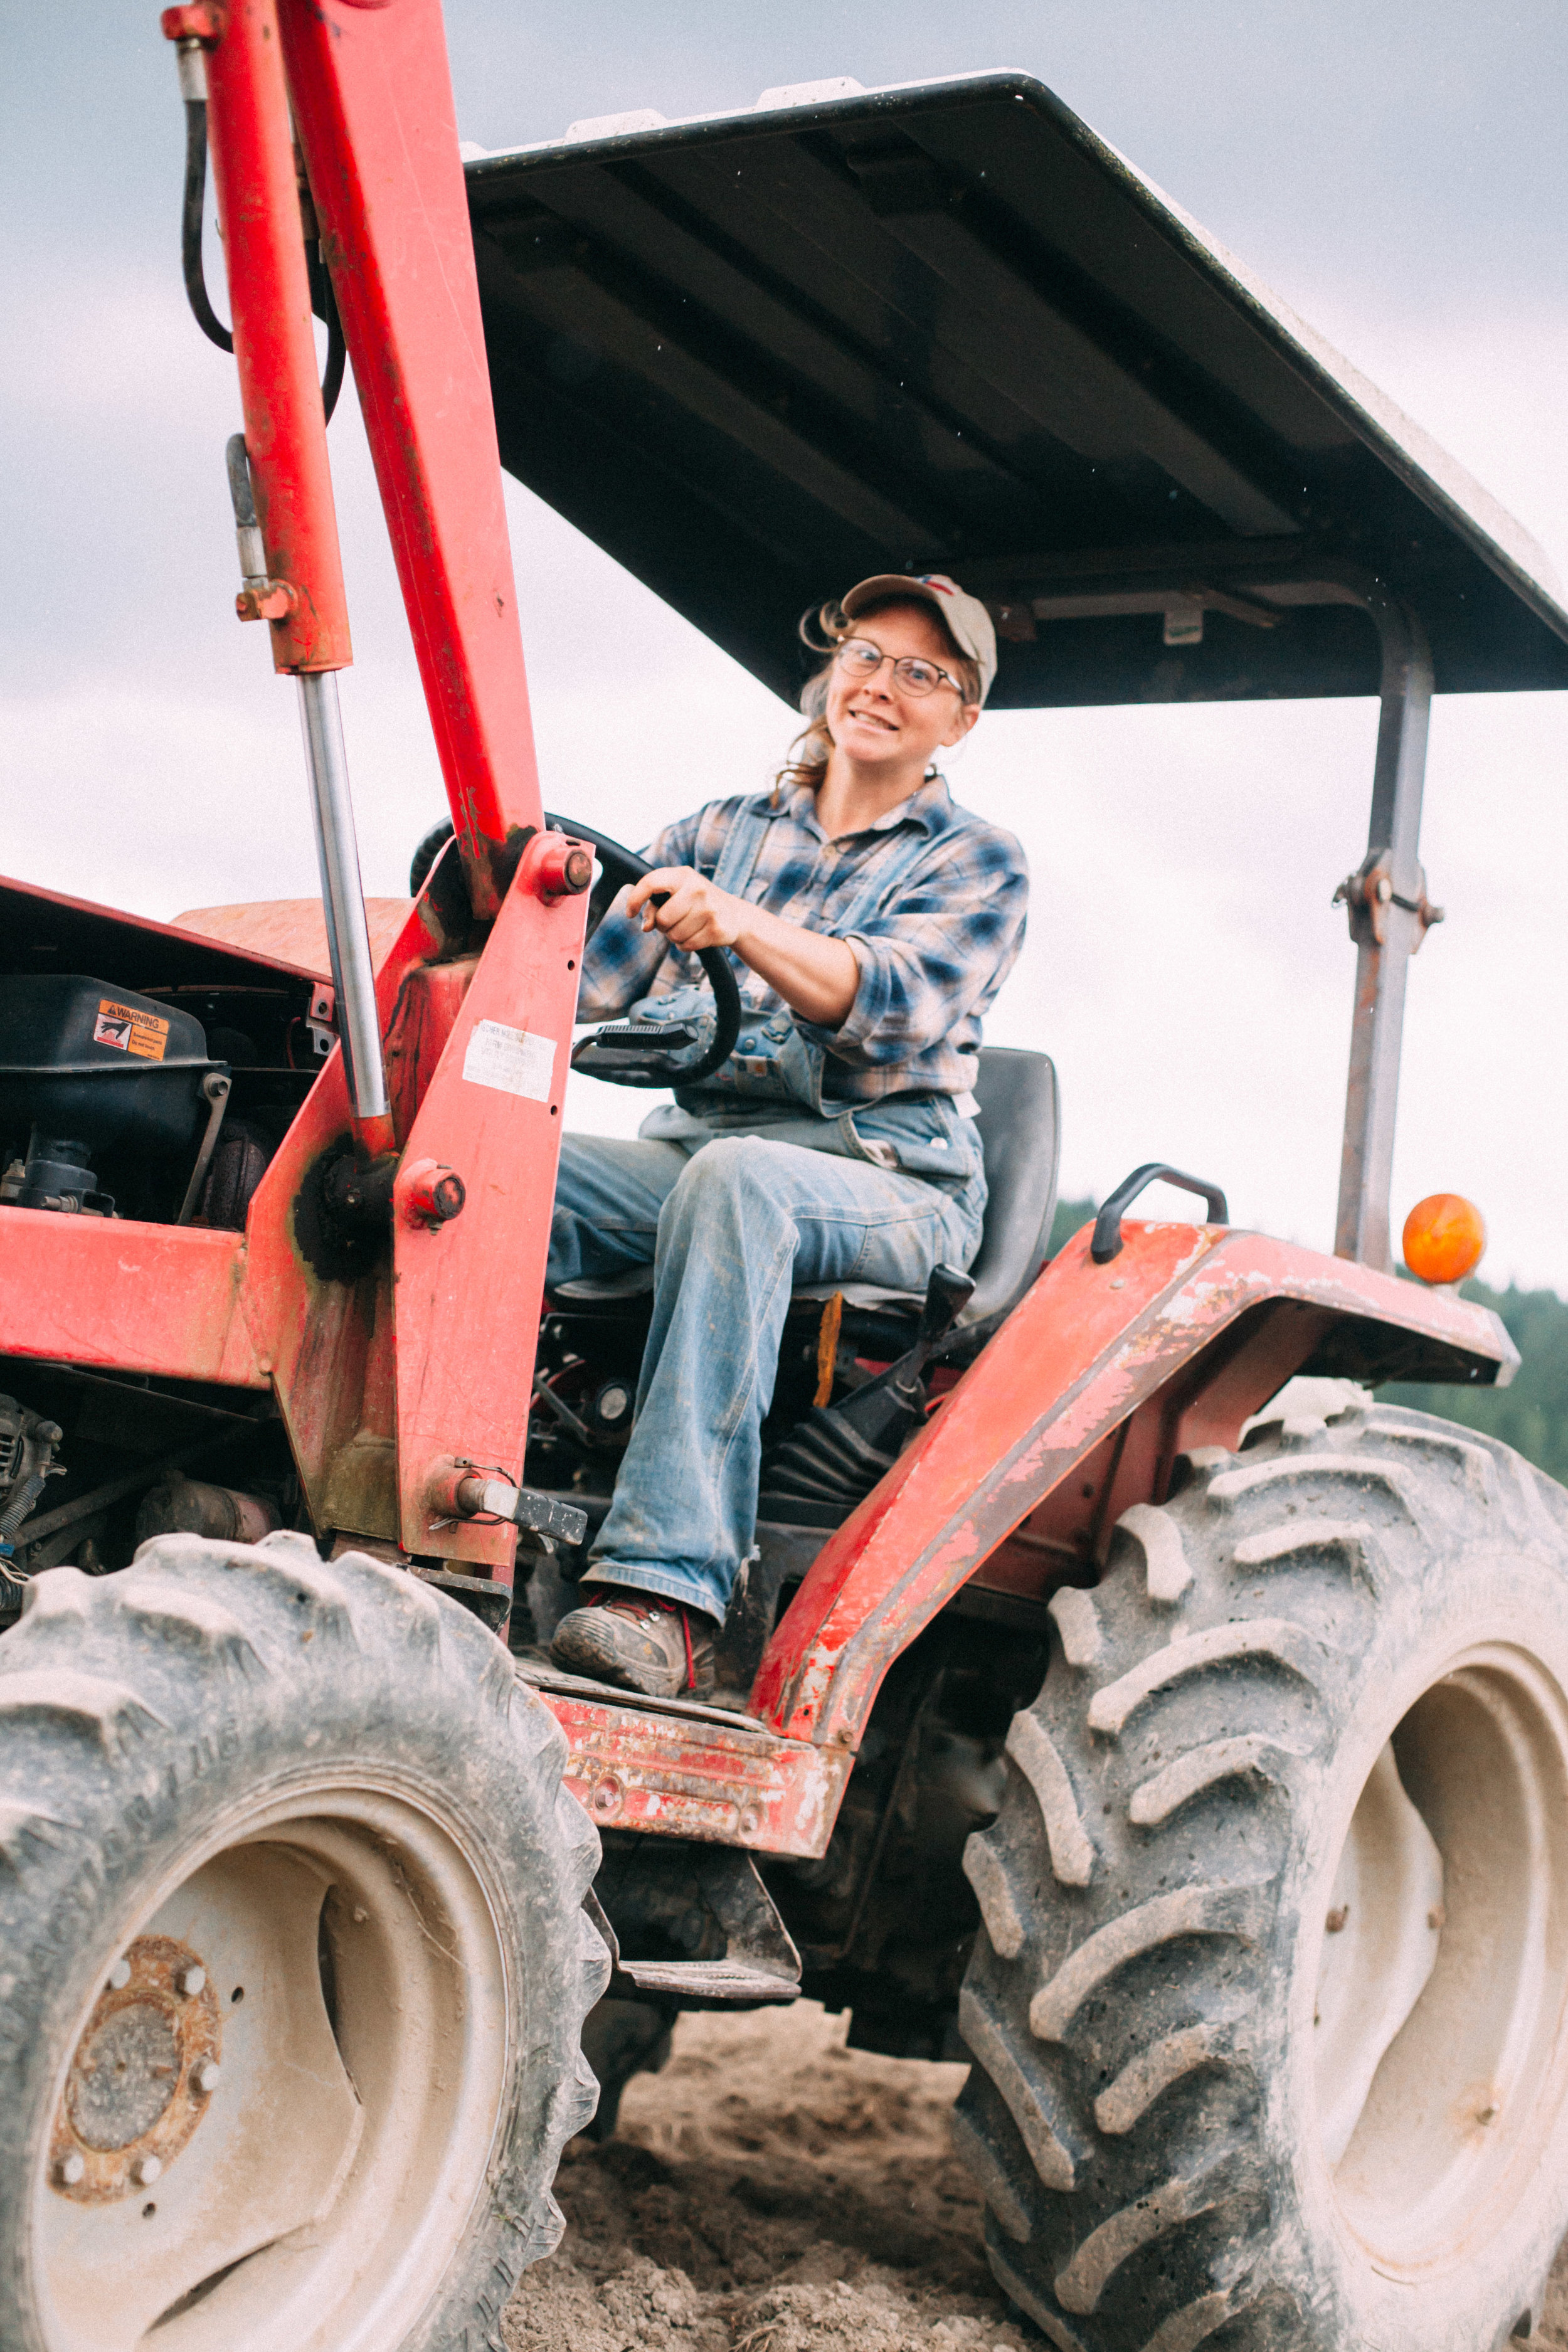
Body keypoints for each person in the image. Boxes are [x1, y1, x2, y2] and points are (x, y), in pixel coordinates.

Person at [548, 572, 1028, 1698]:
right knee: (500, 1166)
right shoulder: (714, 833)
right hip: (695, 1147)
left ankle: (665, 1590)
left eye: (925, 674)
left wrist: (746, 925)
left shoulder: (975, 861)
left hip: (890, 1171)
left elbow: (891, 1000)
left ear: (961, 720)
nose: (881, 686)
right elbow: (582, 982)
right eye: (866, 655)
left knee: (737, 1184)